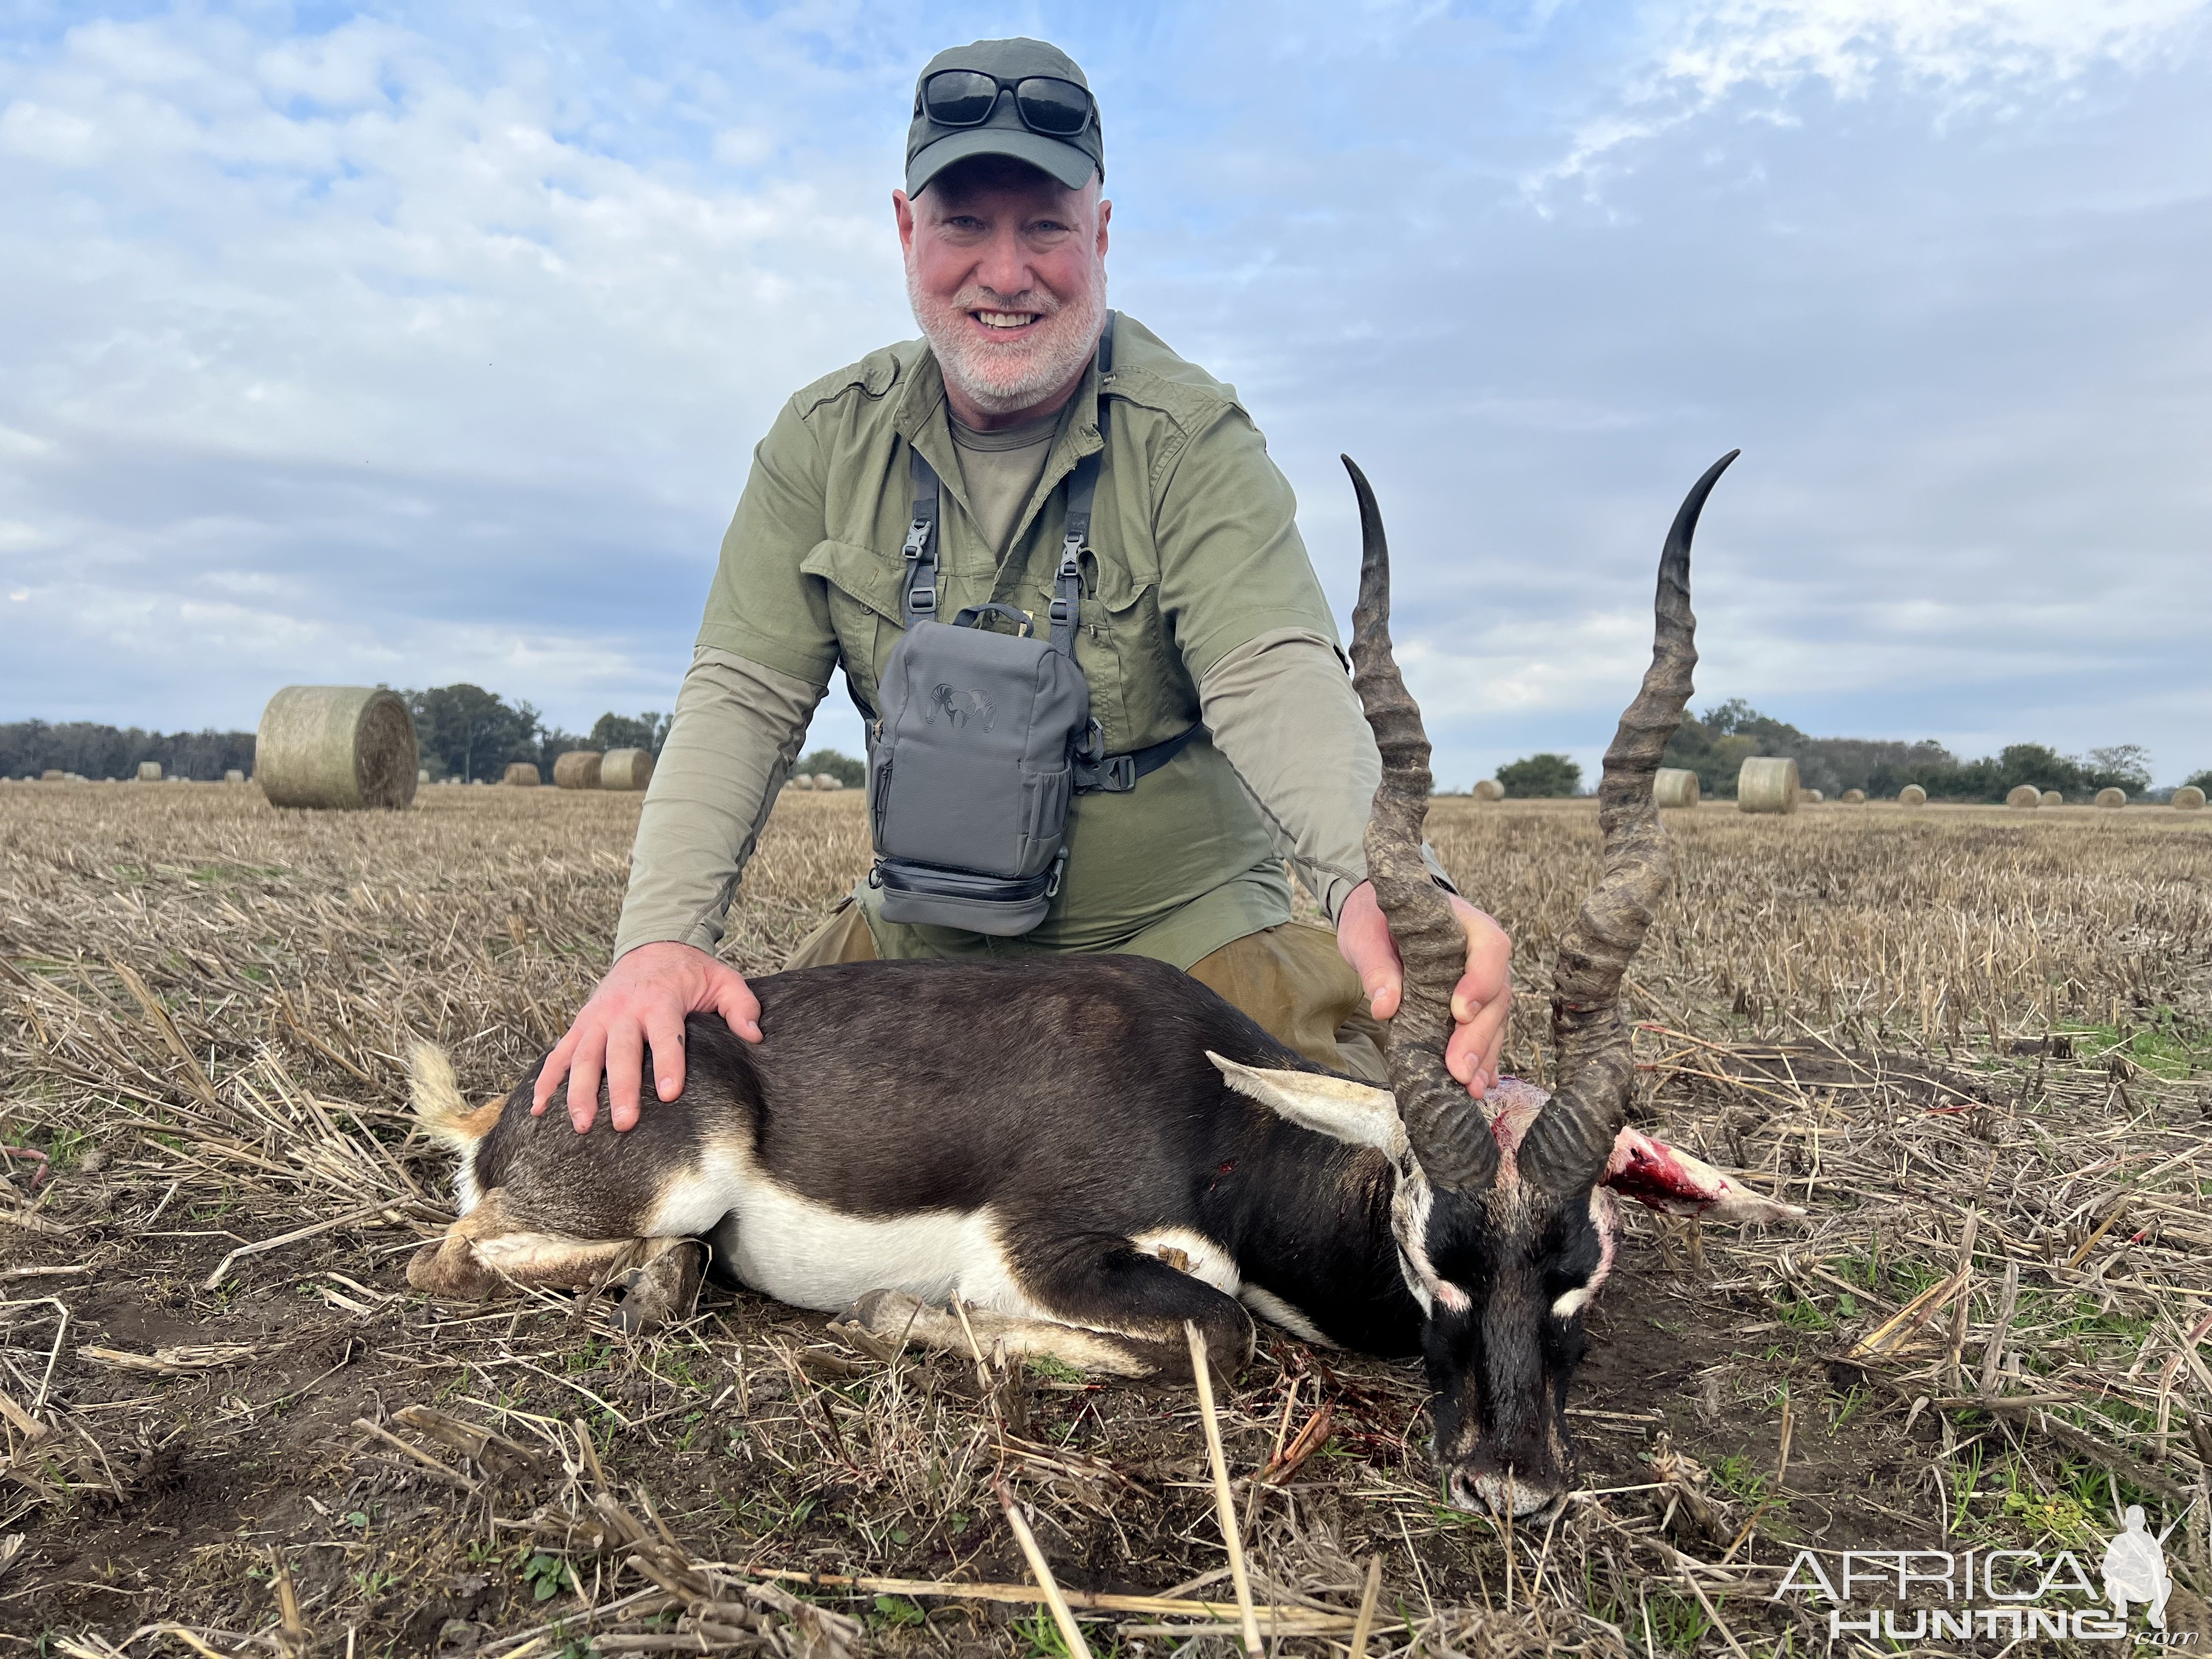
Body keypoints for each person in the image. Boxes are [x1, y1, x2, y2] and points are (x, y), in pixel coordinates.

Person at [535, 36, 1511, 1133]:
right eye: (965, 225)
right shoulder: (820, 441)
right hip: (920, 945)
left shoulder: (1193, 438)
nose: (1007, 275)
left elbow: (1273, 676)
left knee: (1333, 1168)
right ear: (907, 231)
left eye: (1045, 225)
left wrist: (1379, 881)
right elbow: (740, 703)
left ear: (1099, 233)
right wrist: (661, 943)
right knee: (665, 1113)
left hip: (1184, 945)